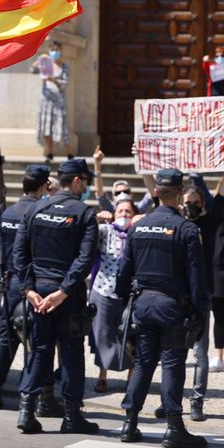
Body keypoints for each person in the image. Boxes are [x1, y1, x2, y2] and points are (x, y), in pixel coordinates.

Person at [116, 169, 209, 448]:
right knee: (171, 364)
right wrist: (200, 311)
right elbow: (196, 278)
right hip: (172, 306)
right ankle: (174, 426)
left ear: (156, 192)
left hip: (143, 304)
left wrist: (127, 302)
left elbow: (123, 273)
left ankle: (129, 423)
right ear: (180, 193)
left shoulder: (138, 227)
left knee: (144, 363)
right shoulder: (187, 229)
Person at [12, 158, 99, 435]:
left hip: (39, 293)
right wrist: (63, 291)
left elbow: (19, 254)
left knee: (39, 350)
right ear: (76, 181)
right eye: (85, 182)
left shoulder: (36, 209)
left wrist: (29, 290)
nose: (85, 187)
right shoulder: (84, 214)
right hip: (67, 295)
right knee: (71, 353)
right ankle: (72, 417)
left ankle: (27, 411)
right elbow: (85, 260)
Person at [0, 164, 64, 415]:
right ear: (44, 187)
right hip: (31, 282)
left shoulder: (8, 212)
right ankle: (41, 397)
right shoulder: (38, 212)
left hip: (9, 283)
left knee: (5, 338)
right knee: (38, 341)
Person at [153, 177, 224, 422]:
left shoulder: (211, 223)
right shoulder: (175, 223)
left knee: (200, 354)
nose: (191, 206)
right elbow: (156, 193)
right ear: (180, 201)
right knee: (171, 354)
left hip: (199, 298)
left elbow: (218, 197)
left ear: (203, 203)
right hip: (175, 298)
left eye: (196, 202)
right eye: (188, 202)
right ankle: (169, 401)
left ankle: (196, 402)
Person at [90, 198, 137, 393]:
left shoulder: (137, 233)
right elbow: (87, 234)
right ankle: (103, 375)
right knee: (103, 334)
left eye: (128, 211)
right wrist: (97, 218)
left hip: (131, 293)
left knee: (133, 336)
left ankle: (132, 377)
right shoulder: (105, 231)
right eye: (120, 211)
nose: (124, 215)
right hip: (104, 289)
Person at [31, 41, 70, 163]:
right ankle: (49, 152)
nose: (55, 52)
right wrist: (39, 60)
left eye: (57, 49)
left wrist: (53, 80)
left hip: (58, 100)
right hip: (46, 100)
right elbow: (32, 70)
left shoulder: (64, 66)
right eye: (53, 50)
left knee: (61, 127)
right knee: (47, 127)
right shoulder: (45, 64)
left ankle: (70, 153)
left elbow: (64, 84)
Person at [93, 145, 155, 215]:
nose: (124, 214)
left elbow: (152, 191)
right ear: (113, 197)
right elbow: (99, 193)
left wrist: (144, 158)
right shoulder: (111, 210)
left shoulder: (138, 211)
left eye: (126, 191)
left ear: (131, 195)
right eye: (118, 193)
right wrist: (97, 164)